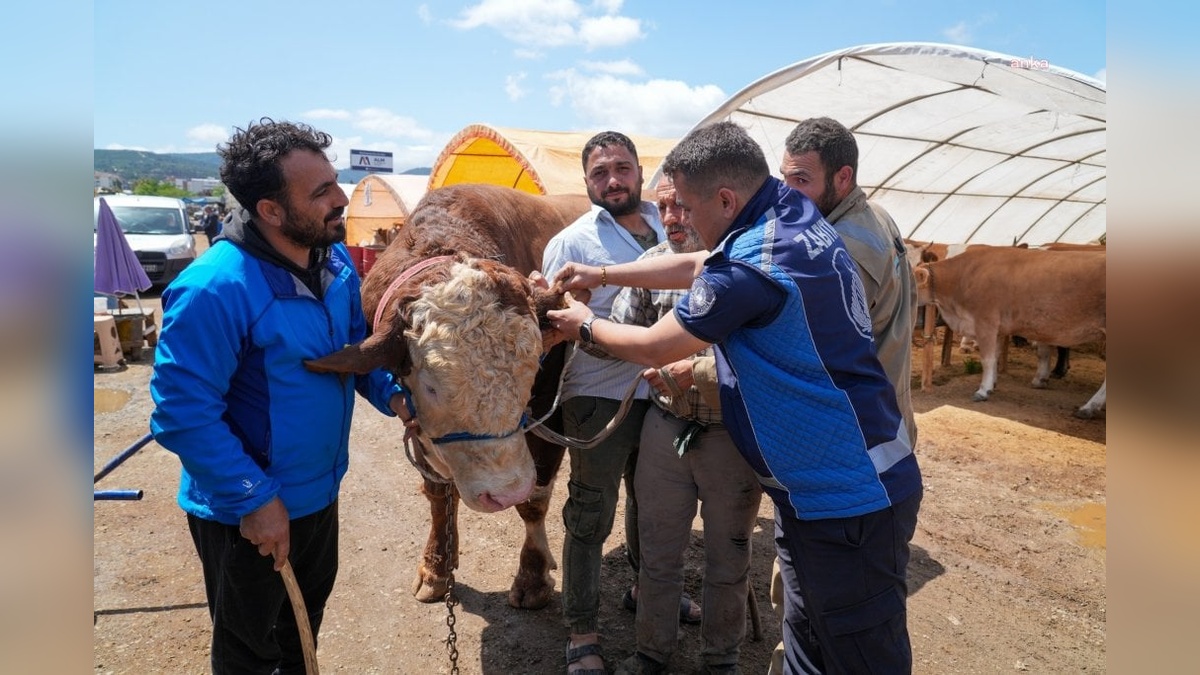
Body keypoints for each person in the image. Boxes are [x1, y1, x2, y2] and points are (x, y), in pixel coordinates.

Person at [549, 121, 923, 674]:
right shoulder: (789, 217)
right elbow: (702, 264)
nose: (682, 223)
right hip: (821, 494)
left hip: (847, 502)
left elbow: (655, 346)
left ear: (726, 199)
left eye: (690, 210)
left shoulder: (751, 266)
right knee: (810, 642)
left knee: (858, 657)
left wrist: (583, 324)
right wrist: (604, 271)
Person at [149, 118, 413, 674]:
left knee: (301, 632)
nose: (342, 199)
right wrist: (253, 498)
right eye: (321, 192)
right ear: (270, 210)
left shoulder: (333, 264)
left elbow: (353, 351)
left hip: (318, 494)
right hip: (248, 513)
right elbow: (181, 413)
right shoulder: (214, 289)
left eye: (335, 182)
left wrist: (397, 396)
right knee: (250, 653)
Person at [766, 116, 920, 674]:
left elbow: (799, 357)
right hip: (886, 436)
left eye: (802, 179)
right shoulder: (873, 217)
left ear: (843, 176)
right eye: (783, 178)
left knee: (842, 623)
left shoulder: (842, 248)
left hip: (855, 461)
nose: (788, 193)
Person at [540, 131, 683, 675]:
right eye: (600, 173)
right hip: (600, 394)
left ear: (639, 171)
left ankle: (646, 592)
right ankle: (581, 629)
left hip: (667, 394)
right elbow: (555, 324)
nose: (613, 180)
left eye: (622, 168)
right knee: (590, 514)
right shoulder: (572, 244)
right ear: (586, 182)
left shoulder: (672, 220)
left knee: (653, 503)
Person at [611, 177, 763, 675]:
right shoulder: (650, 267)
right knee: (658, 552)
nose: (673, 218)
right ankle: (651, 652)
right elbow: (623, 329)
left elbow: (762, 355)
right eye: (664, 208)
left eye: (681, 206)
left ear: (711, 204)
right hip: (666, 426)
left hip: (730, 436)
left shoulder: (744, 263)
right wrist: (578, 325)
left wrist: (690, 365)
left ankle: (721, 660)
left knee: (729, 557)